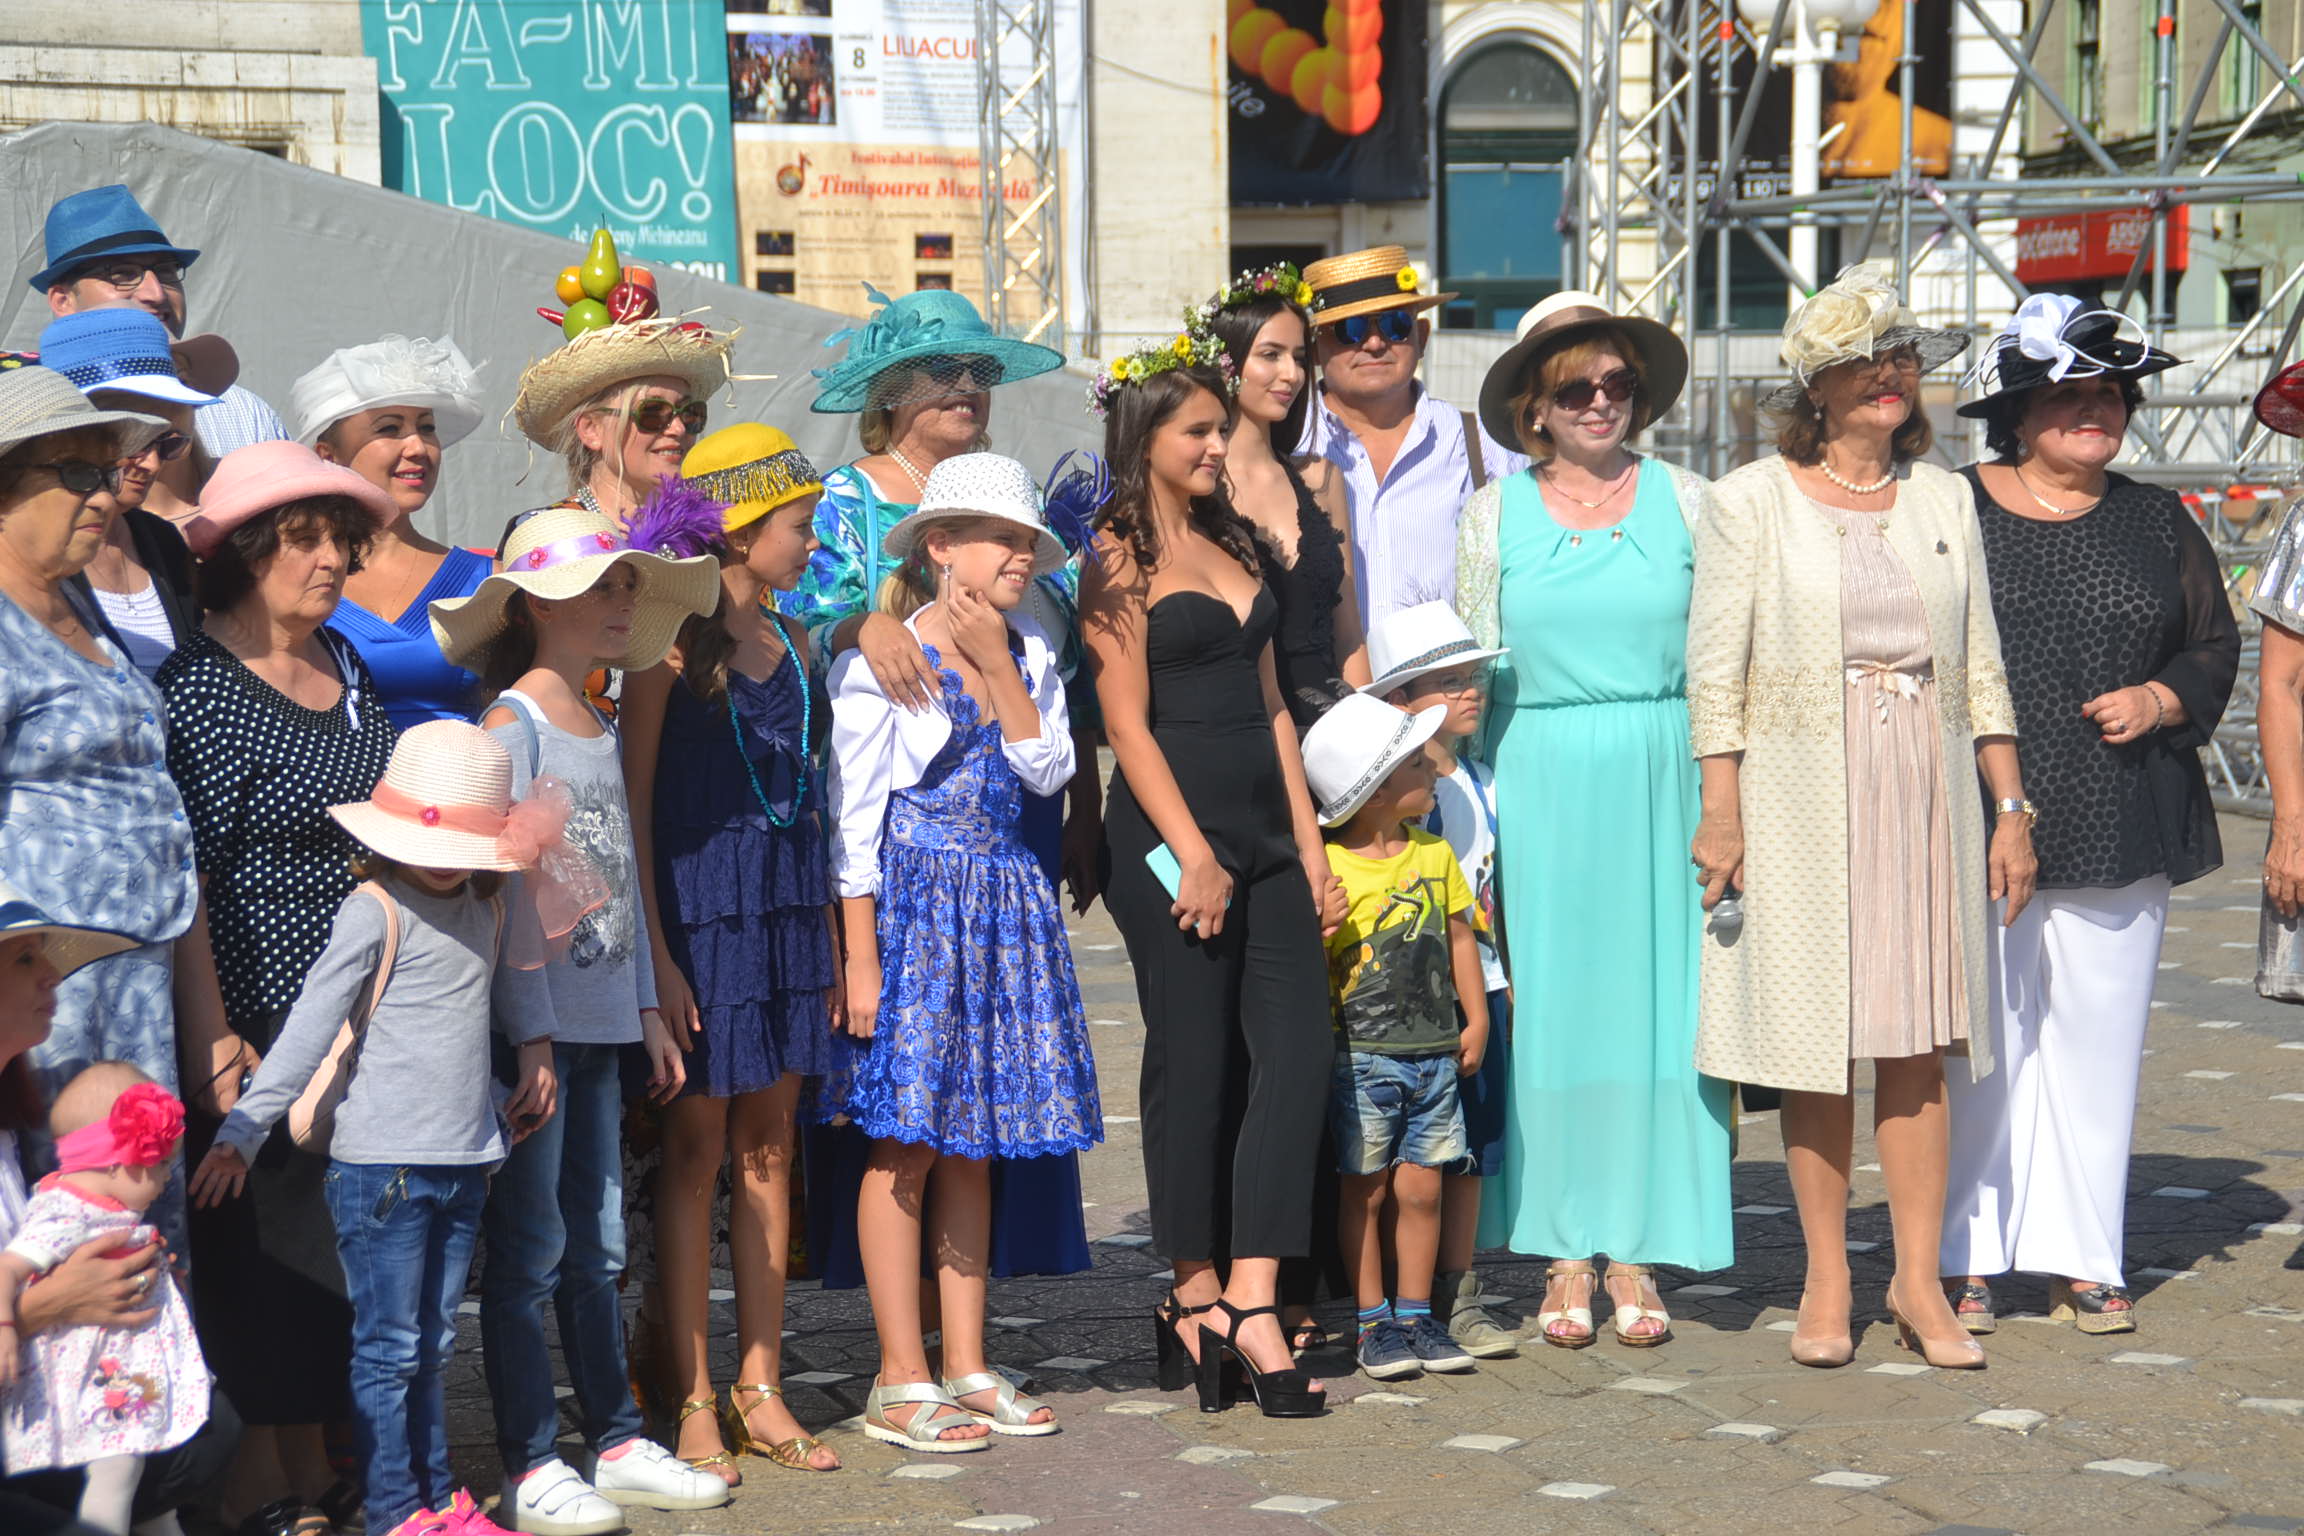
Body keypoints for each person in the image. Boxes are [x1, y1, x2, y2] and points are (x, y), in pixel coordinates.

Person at [1687, 265, 2034, 1371]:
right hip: (1801, 794)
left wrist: (2010, 806)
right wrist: (1722, 811)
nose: (1892, 375)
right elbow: (1715, 673)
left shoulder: (1944, 498)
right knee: (1815, 1043)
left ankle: (1919, 1281)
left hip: (1924, 789)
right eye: (1866, 360)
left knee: (1919, 1041)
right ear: (1817, 387)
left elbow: (1981, 662)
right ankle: (1828, 1276)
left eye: (1902, 358)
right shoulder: (1749, 499)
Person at [787, 284, 1096, 1306]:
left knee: (980, 1110)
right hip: (900, 809)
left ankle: (970, 1332)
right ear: (889, 391)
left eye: (979, 371)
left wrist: (1012, 672)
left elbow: (1052, 675)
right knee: (905, 1116)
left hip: (1002, 813)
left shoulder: (1007, 515)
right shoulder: (846, 498)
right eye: (942, 372)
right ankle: (897, 1333)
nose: (966, 387)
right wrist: (859, 626)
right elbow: (799, 610)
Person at [188, 720, 575, 1536]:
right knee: (389, 1346)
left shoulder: (487, 905)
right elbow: (309, 1027)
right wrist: (243, 1132)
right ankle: (396, 1507)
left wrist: (531, 1053)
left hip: (466, 1162)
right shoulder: (373, 910)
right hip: (381, 1174)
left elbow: (504, 993)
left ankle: (438, 1497)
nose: (443, 861)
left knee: (434, 1346)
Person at [1938, 296, 2236, 1338]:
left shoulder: (2158, 519)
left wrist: (2162, 698)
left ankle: (2083, 1257)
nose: (2095, 410)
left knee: (2098, 1047)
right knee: (1979, 1047)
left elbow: (2212, 643)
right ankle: (1964, 1254)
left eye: (2110, 394)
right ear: (2016, 414)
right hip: (1977, 813)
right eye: (2069, 394)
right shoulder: (1951, 508)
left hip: (2122, 811)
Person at [429, 506, 728, 1533]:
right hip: (542, 1040)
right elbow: (505, 897)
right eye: (603, 586)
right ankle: (528, 1458)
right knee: (531, 1249)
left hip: (600, 1030)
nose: (623, 602)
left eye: (628, 584)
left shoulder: (597, 723)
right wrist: (535, 1035)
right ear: (536, 606)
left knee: (597, 1244)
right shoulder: (510, 730)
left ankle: (613, 1437)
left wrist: (645, 1006)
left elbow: (623, 877)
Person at [1455, 293, 1734, 1347]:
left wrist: (1726, 799)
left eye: (1619, 382)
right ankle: (1565, 1245)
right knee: (1555, 1012)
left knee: (1662, 1012)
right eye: (1576, 386)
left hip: (1666, 774)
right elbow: (1471, 666)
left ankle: (1639, 1247)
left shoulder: (1693, 501)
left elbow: (1725, 660)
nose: (1600, 401)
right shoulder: (1491, 515)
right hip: (1537, 781)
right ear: (1536, 405)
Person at [1081, 338, 1338, 1418]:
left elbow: (1275, 704)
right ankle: (1191, 1292)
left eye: (1219, 430)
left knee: (1299, 1051)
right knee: (1192, 1058)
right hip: (1164, 836)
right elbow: (1125, 726)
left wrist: (1310, 847)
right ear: (1145, 436)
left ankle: (1253, 1294)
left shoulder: (1236, 537)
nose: (1216, 446)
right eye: (1198, 430)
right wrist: (1191, 851)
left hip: (1269, 830)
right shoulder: (1111, 556)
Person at [824, 453, 1100, 1451]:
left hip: (1001, 904)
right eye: (1002, 539)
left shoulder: (1029, 652)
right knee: (906, 1139)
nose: (1020, 556)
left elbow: (1047, 771)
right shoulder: (887, 660)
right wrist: (860, 960)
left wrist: (998, 666)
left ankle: (968, 1361)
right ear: (941, 547)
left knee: (974, 1139)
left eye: (1027, 542)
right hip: (916, 907)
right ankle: (900, 1374)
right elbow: (853, 823)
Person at [160, 440, 400, 1536]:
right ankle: (258, 1484)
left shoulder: (343, 660)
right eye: (302, 540)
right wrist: (213, 1034)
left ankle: (311, 1462)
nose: (330, 561)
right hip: (255, 1006)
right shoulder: (201, 687)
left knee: (332, 1250)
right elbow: (191, 878)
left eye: (339, 541)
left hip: (358, 1009)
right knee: (262, 1246)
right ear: (245, 553)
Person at [618, 427, 842, 1478]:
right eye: (800, 526)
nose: (813, 544)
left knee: (771, 1146)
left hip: (785, 916)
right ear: (743, 532)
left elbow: (815, 800)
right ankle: (694, 1392)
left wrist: (829, 936)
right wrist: (658, 960)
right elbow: (633, 809)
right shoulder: (667, 651)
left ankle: (762, 1381)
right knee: (695, 1150)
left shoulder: (797, 645)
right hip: (699, 919)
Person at [0, 367, 230, 1223]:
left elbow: (160, 811)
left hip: (136, 983)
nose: (102, 495)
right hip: (40, 1002)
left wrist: (205, 1018)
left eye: (106, 472)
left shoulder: (79, 606)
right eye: (75, 473)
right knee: (59, 1224)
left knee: (135, 1215)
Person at [0, 878, 241, 1536]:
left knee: (206, 1427)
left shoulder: (11, 1133)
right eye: (24, 958)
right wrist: (54, 1304)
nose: (52, 975)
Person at [1299, 693, 1487, 1384]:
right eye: (1417, 762)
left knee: (1424, 1191)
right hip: (1361, 1061)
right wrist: (1320, 926)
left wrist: (1476, 1017)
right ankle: (1372, 1322)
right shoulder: (1329, 868)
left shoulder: (1434, 855)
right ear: (1376, 790)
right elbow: (1312, 964)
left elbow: (1461, 937)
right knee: (1367, 1193)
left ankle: (1417, 1316)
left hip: (1434, 1057)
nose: (1434, 768)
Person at [1360, 603, 1515, 1359]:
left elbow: (1490, 893)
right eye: (1449, 682)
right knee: (1392, 1157)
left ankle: (1459, 1289)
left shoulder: (1484, 781)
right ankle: (1388, 1303)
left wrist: (1504, 984)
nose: (1470, 691)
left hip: (1481, 985)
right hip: (1399, 1004)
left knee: (1472, 1146)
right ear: (1399, 700)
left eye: (1473, 676)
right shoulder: (1384, 791)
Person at [0, 1066, 204, 1536]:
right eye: (160, 1164)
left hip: (126, 1370)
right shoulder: (66, 1213)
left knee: (152, 1475)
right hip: (92, 1378)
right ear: (117, 1163)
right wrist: (7, 1324)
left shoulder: (103, 1211)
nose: (166, 1178)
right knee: (118, 1471)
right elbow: (9, 1267)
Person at [1293, 246, 1525, 626]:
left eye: (1394, 325)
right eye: (1350, 329)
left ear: (1422, 336)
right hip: (1325, 666)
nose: (1374, 343)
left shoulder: (1481, 445)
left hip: (1451, 667)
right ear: (1314, 349)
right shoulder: (1287, 445)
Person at [1196, 262, 1368, 723]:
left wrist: (1373, 739)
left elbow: (1348, 634)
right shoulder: (1194, 486)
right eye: (1270, 354)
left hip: (1333, 729)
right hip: (1239, 729)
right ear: (1227, 361)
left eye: (1299, 356)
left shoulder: (1321, 478)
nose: (1291, 374)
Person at [296, 335, 492, 732]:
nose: (418, 447)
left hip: (462, 770)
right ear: (327, 456)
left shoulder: (489, 579)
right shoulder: (287, 577)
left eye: (427, 427)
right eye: (389, 428)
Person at [32, 184, 289, 457]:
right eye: (123, 274)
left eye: (166, 272)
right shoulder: (28, 414)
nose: (156, 294)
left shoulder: (243, 415)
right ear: (63, 300)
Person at [38, 308, 211, 674]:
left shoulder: (163, 540)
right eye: (132, 441)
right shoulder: (24, 549)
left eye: (168, 444)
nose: (152, 464)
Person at [505, 315, 734, 542]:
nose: (679, 428)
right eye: (652, 413)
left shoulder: (710, 537)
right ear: (591, 430)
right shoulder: (544, 537)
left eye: (690, 412)